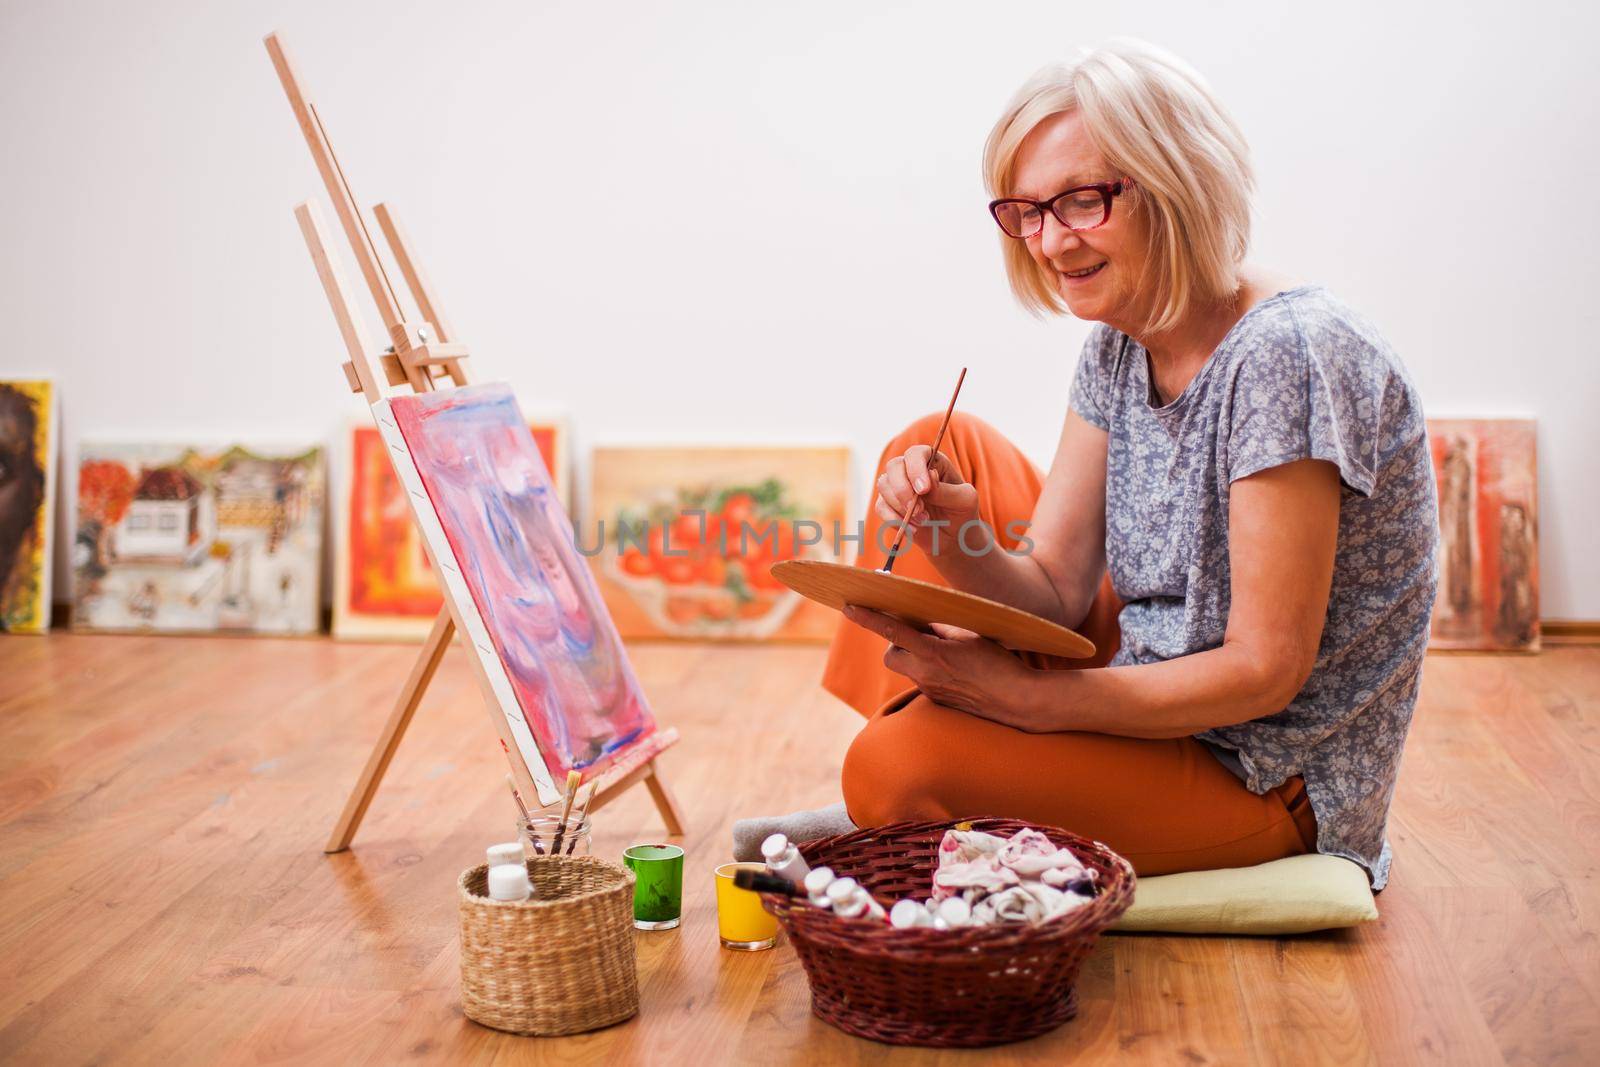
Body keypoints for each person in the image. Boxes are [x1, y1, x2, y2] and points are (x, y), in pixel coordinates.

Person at [808, 39, 1438, 889]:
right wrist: (957, 540)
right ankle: (942, 756)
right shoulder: (1118, 342)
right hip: (1149, 675)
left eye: (1081, 200)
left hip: (1255, 770)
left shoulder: (1289, 354)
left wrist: (1031, 702)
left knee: (888, 769)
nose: (1049, 241)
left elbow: (1265, 670)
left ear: (1177, 180)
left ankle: (924, 778)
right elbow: (1058, 590)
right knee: (934, 443)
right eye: (1026, 211)